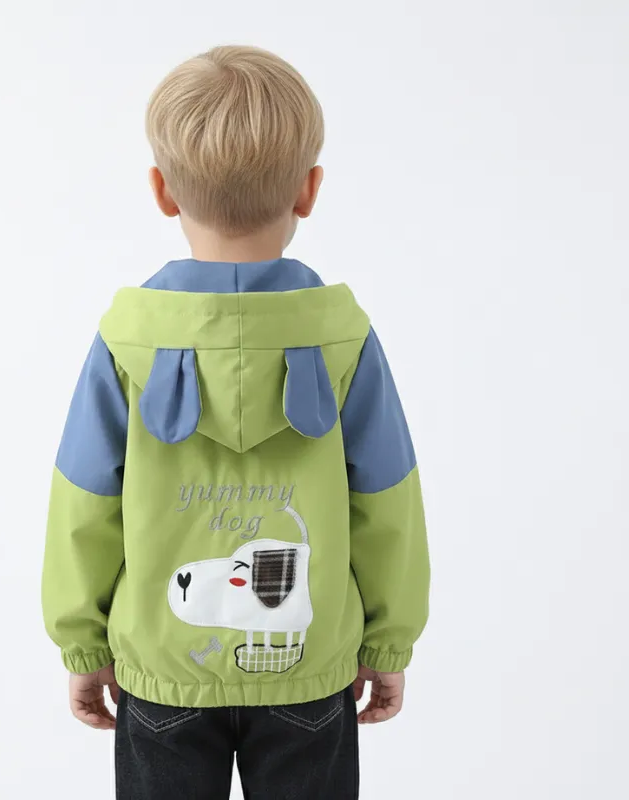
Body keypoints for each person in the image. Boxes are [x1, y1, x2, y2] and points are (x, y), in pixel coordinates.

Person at [42, 44, 430, 800]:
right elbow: (389, 500)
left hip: (164, 666)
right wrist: (388, 640)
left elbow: (82, 501)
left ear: (162, 190)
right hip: (307, 664)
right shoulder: (345, 337)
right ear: (310, 189)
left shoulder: (126, 340)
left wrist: (81, 642)